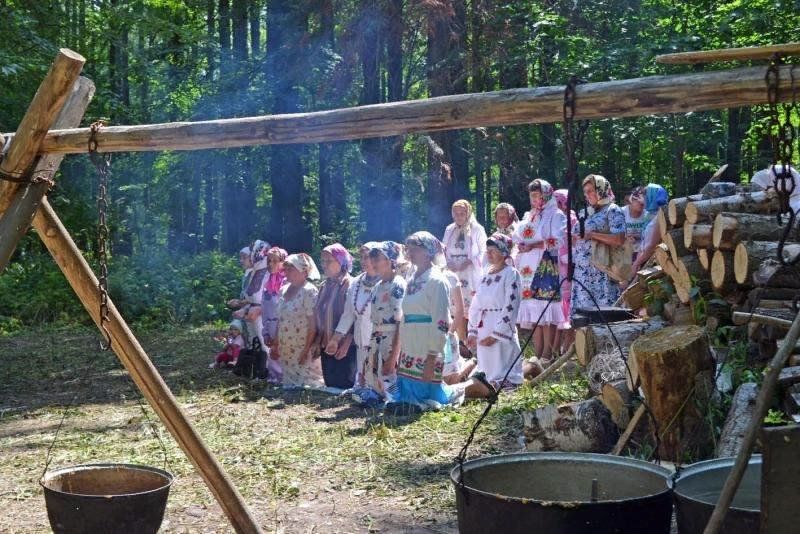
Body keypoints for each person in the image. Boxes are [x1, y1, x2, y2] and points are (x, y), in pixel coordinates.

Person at [513, 179, 566, 361]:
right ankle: (537, 354)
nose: (534, 199)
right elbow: (517, 234)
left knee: (547, 309)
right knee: (536, 313)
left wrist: (535, 244)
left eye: (537, 195)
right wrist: (521, 245)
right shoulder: (531, 215)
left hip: (546, 265)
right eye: (532, 196)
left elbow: (559, 241)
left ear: (546, 195)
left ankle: (548, 354)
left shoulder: (556, 214)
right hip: (528, 264)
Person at [467, 233, 523, 390]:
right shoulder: (485, 274)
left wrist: (497, 334)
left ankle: (509, 379)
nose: (489, 253)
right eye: (488, 250)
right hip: (484, 323)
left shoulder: (511, 273)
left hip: (500, 323)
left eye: (493, 250)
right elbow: (476, 304)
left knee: (502, 358)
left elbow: (511, 305)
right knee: (487, 364)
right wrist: (472, 330)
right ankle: (487, 381)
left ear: (504, 252)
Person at [326, 242, 382, 394]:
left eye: (368, 257)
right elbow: (348, 314)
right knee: (364, 380)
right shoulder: (356, 283)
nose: (364, 261)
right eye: (361, 257)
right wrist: (335, 339)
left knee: (381, 380)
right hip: (361, 341)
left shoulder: (387, 282)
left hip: (381, 341)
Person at [571, 175, 626, 312]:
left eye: (590, 191)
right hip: (583, 274)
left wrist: (592, 235)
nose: (587, 195)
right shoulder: (585, 212)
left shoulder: (612, 210)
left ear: (601, 189)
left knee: (603, 315)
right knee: (583, 319)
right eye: (585, 192)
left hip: (602, 272)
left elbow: (619, 239)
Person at [363, 241, 407, 402]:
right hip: (377, 338)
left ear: (390, 261)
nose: (373, 262)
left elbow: (400, 322)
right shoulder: (378, 286)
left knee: (391, 375)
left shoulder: (397, 285)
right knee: (378, 376)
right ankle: (381, 398)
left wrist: (394, 354)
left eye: (378, 258)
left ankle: (395, 403)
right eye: (372, 258)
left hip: (391, 340)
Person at [273, 253, 323, 388]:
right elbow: (280, 319)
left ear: (304, 271)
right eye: (286, 269)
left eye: (291, 269)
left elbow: (313, 325)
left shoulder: (309, 291)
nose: (287, 272)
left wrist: (306, 350)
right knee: (289, 383)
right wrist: (275, 344)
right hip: (286, 346)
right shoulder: (283, 290)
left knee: (306, 384)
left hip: (301, 345)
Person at [316, 243, 357, 390]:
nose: (324, 265)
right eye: (322, 261)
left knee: (344, 388)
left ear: (341, 262)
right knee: (330, 388)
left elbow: (354, 317)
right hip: (326, 345)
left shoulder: (351, 284)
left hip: (345, 347)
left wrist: (346, 344)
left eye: (329, 261)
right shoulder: (324, 285)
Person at [442, 199, 488, 319]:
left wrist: (470, 261)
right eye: (456, 214)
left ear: (468, 213)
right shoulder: (449, 229)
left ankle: (472, 334)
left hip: (470, 272)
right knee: (456, 307)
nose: (459, 217)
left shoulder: (477, 229)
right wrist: (448, 262)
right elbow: (443, 249)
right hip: (453, 271)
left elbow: (484, 250)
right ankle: (460, 336)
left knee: (472, 307)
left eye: (462, 214)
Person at [553, 188, 577, 351]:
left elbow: (575, 242)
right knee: (557, 306)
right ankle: (555, 346)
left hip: (569, 268)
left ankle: (568, 345)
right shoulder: (555, 218)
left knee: (567, 307)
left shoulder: (572, 219)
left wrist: (568, 257)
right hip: (554, 266)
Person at [234, 240, 270, 348]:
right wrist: (243, 307)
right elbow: (251, 297)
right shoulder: (254, 272)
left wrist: (257, 309)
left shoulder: (270, 274)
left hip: (265, 321)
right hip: (251, 317)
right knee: (254, 344)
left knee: (265, 347)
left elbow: (272, 301)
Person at [262, 246, 288, 384]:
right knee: (273, 355)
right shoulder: (267, 283)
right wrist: (265, 332)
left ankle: (286, 380)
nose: (271, 264)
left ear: (283, 262)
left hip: (285, 328)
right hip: (271, 326)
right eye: (268, 261)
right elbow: (265, 308)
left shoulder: (287, 282)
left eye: (275, 261)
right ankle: (274, 379)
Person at [631, 183, 670, 273]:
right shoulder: (650, 214)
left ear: (651, 197)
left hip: (651, 264)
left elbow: (651, 246)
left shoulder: (659, 217)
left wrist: (636, 264)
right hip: (643, 260)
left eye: (645, 195)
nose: (642, 200)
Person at [622, 186, 651, 265]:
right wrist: (625, 237)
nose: (641, 202)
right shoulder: (621, 212)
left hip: (642, 252)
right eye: (637, 199)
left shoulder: (647, 214)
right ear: (631, 200)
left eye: (644, 199)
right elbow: (612, 232)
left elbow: (652, 235)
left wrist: (636, 236)